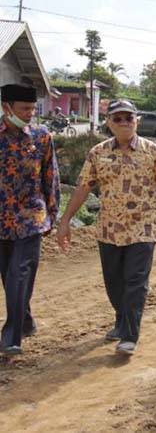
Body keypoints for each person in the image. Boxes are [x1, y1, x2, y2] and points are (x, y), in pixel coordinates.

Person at [58, 99, 156, 356]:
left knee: (135, 281)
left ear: (137, 121)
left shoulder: (154, 152)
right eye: (118, 119)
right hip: (109, 229)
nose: (124, 123)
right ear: (109, 123)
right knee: (114, 282)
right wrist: (65, 221)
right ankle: (121, 319)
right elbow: (83, 188)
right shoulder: (97, 153)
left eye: (129, 118)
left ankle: (129, 335)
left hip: (142, 228)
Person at [0, 84, 61, 355]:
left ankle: (11, 337)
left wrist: (52, 215)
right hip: (2, 219)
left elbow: (51, 176)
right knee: (8, 276)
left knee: (19, 274)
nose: (30, 114)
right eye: (24, 109)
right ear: (7, 107)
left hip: (31, 218)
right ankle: (25, 321)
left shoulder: (41, 136)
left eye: (33, 109)